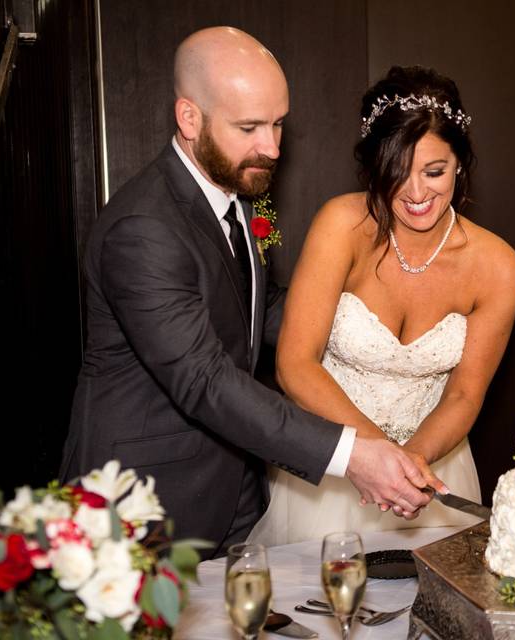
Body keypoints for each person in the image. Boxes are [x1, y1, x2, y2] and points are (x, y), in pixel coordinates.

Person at [59, 28, 440, 558]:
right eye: (249, 127)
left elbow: (252, 315)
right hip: (144, 505)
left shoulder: (233, 191)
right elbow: (203, 379)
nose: (272, 147)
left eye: (279, 123)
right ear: (189, 118)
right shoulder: (143, 229)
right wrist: (350, 454)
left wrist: (380, 327)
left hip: (234, 486)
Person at [246, 66, 515, 545]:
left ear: (461, 162)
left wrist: (410, 465)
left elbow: (464, 395)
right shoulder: (341, 226)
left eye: (434, 171)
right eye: (396, 173)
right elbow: (295, 365)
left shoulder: (498, 266)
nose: (416, 193)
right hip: (334, 469)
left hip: (432, 471)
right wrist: (374, 457)